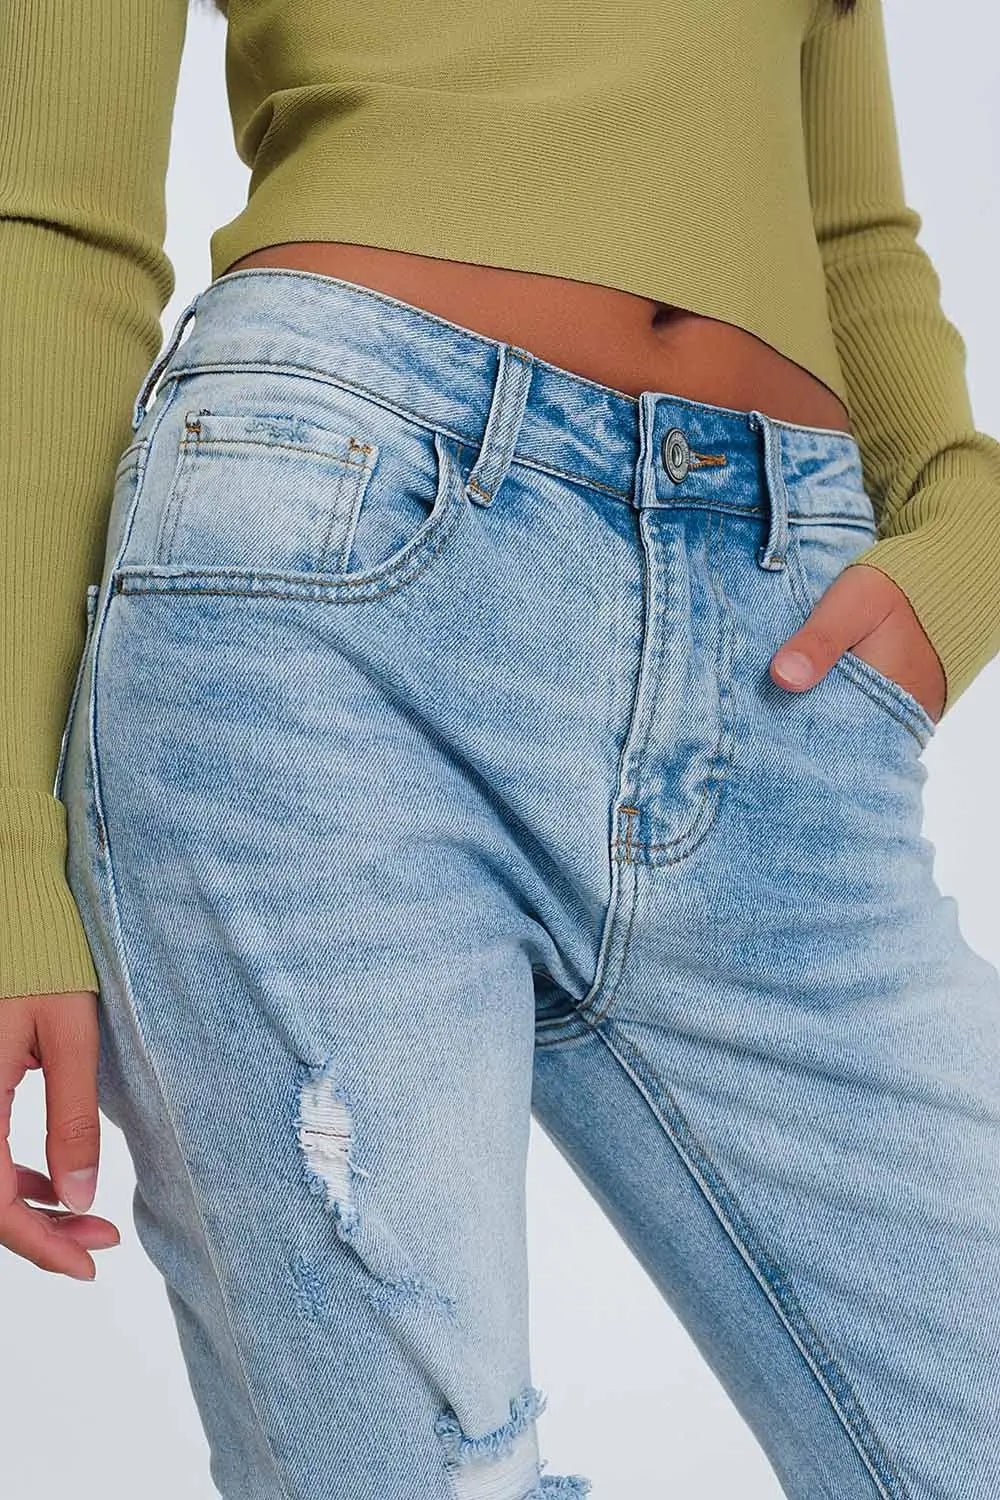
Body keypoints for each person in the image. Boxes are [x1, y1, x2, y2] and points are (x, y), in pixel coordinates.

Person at [3, 0, 999, 1494]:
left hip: (772, 646)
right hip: (337, 580)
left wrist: (967, 528)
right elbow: (58, 231)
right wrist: (8, 859)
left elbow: (846, 223)